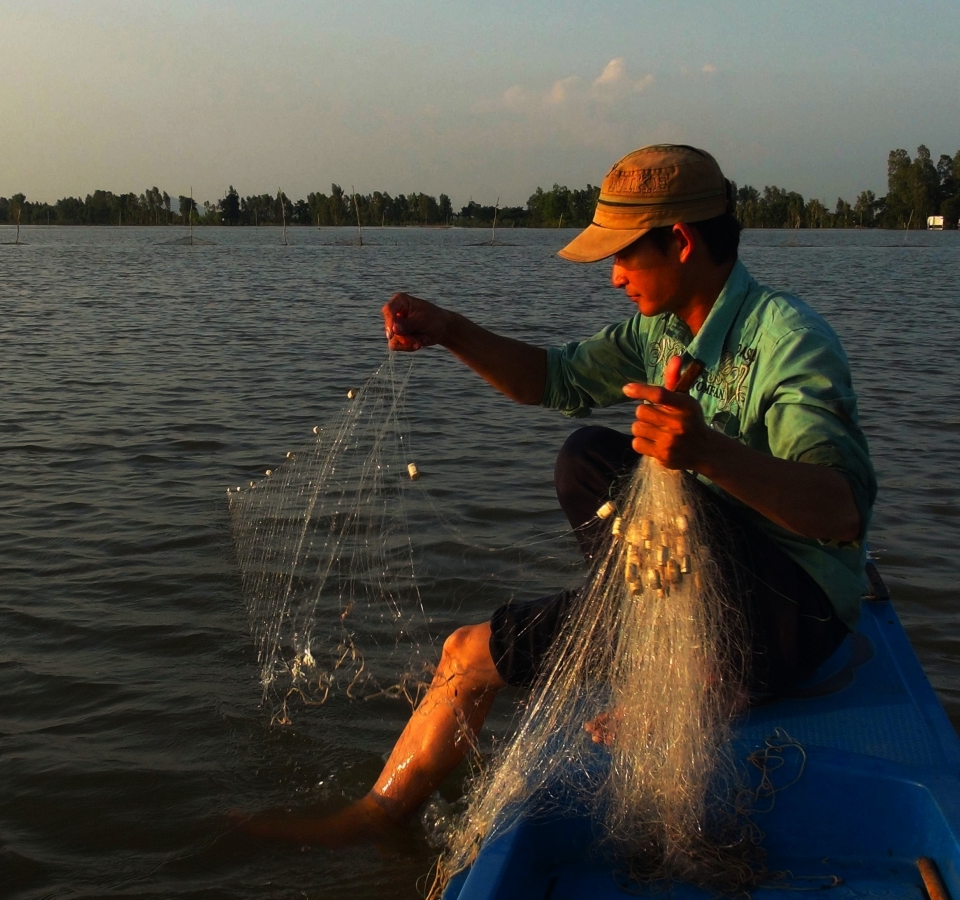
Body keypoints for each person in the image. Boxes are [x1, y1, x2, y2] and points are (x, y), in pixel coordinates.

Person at [242, 144, 876, 846]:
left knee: (467, 652)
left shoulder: (789, 342)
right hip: (707, 590)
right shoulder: (660, 330)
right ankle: (693, 672)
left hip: (790, 616)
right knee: (587, 459)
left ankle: (379, 814)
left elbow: (840, 511)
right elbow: (553, 379)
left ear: (683, 243)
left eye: (625, 257)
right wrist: (450, 330)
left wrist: (705, 451)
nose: (612, 279)